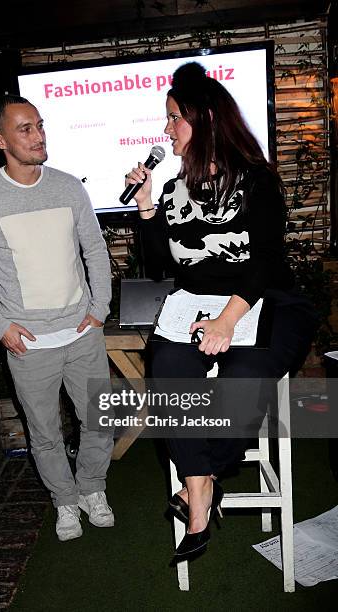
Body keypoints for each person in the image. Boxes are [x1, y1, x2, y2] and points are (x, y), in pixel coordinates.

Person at [125, 63, 317, 559]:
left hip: (262, 300)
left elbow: (266, 262)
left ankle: (199, 485)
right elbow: (161, 266)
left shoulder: (257, 180)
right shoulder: (173, 188)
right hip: (193, 301)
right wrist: (147, 207)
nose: (165, 129)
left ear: (205, 119)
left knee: (242, 378)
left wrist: (228, 321)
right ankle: (202, 493)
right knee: (166, 371)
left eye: (173, 118)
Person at [0, 94, 114, 542]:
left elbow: (95, 250)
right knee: (44, 433)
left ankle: (92, 490)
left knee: (100, 420)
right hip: (29, 345)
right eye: (25, 129)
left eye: (40, 125)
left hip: (82, 333)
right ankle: (64, 501)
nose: (38, 135)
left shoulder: (68, 187)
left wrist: (100, 308)